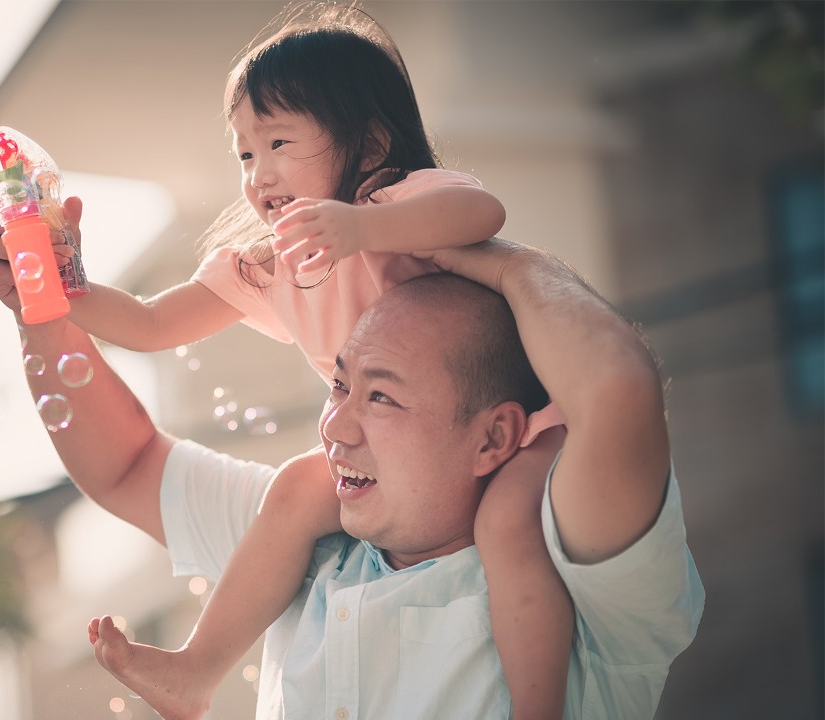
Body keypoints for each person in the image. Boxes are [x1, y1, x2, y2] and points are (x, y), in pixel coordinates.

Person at [36, 2, 571, 717]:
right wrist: (56, 282)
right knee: (294, 487)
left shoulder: (397, 204)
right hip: (396, 460)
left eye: (280, 141)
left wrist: (363, 225)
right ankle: (196, 670)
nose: (259, 173)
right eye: (246, 154)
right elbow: (150, 322)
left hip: (516, 431)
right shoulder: (275, 264)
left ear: (371, 141)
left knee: (510, 529)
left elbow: (482, 215)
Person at [0, 219, 705, 717]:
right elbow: (127, 465)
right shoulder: (299, 541)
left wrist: (510, 266)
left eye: (381, 395)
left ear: (494, 439)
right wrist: (40, 306)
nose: (336, 425)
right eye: (339, 385)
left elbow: (617, 392)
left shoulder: (581, 586)